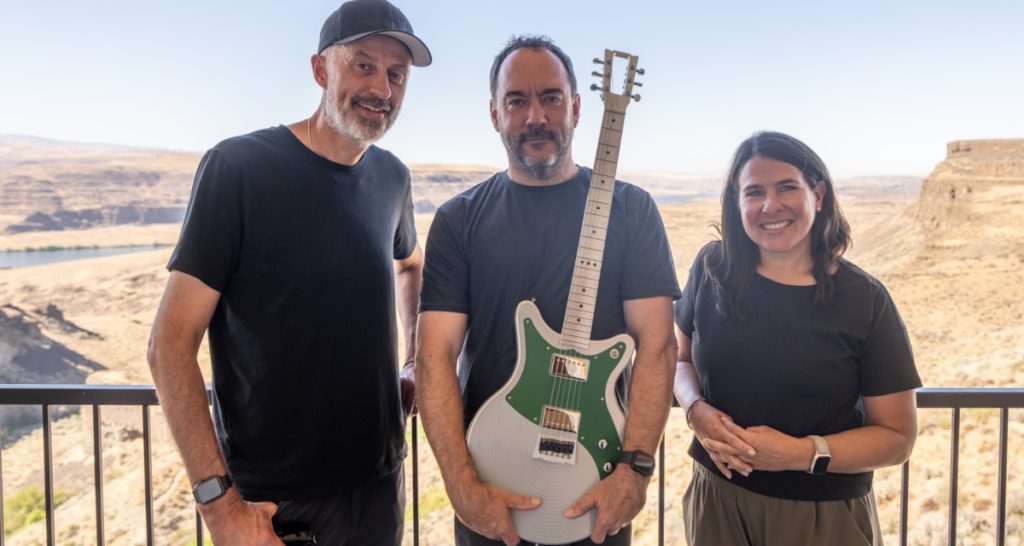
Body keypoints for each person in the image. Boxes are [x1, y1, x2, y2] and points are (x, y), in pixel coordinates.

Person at [146, 1, 430, 544]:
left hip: (378, 481)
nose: (383, 89)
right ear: (321, 70)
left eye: (397, 75)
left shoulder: (392, 177)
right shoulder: (238, 168)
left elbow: (410, 265)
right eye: (364, 65)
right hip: (274, 502)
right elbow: (169, 345)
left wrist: (414, 359)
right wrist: (220, 509)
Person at [416, 35, 680, 546]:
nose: (535, 115)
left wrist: (635, 471)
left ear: (577, 107)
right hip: (490, 490)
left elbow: (657, 345)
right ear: (495, 114)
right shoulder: (458, 221)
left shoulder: (633, 211)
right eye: (517, 101)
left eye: (551, 97)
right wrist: (462, 487)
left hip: (597, 487)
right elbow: (434, 356)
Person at [672, 131, 921, 545]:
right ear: (737, 204)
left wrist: (797, 453)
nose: (771, 206)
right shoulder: (711, 267)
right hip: (717, 501)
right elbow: (678, 358)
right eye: (754, 192)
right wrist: (696, 411)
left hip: (823, 518)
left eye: (787, 187)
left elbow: (897, 438)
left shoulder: (864, 299)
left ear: (818, 194)